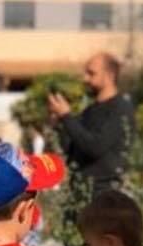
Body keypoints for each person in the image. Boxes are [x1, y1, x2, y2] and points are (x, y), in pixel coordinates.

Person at [47, 53, 136, 198]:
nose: (85, 79)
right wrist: (58, 124)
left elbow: (95, 147)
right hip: (79, 193)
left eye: (91, 73)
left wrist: (66, 116)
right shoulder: (89, 111)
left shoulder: (120, 109)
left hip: (104, 196)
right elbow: (70, 150)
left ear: (109, 75)